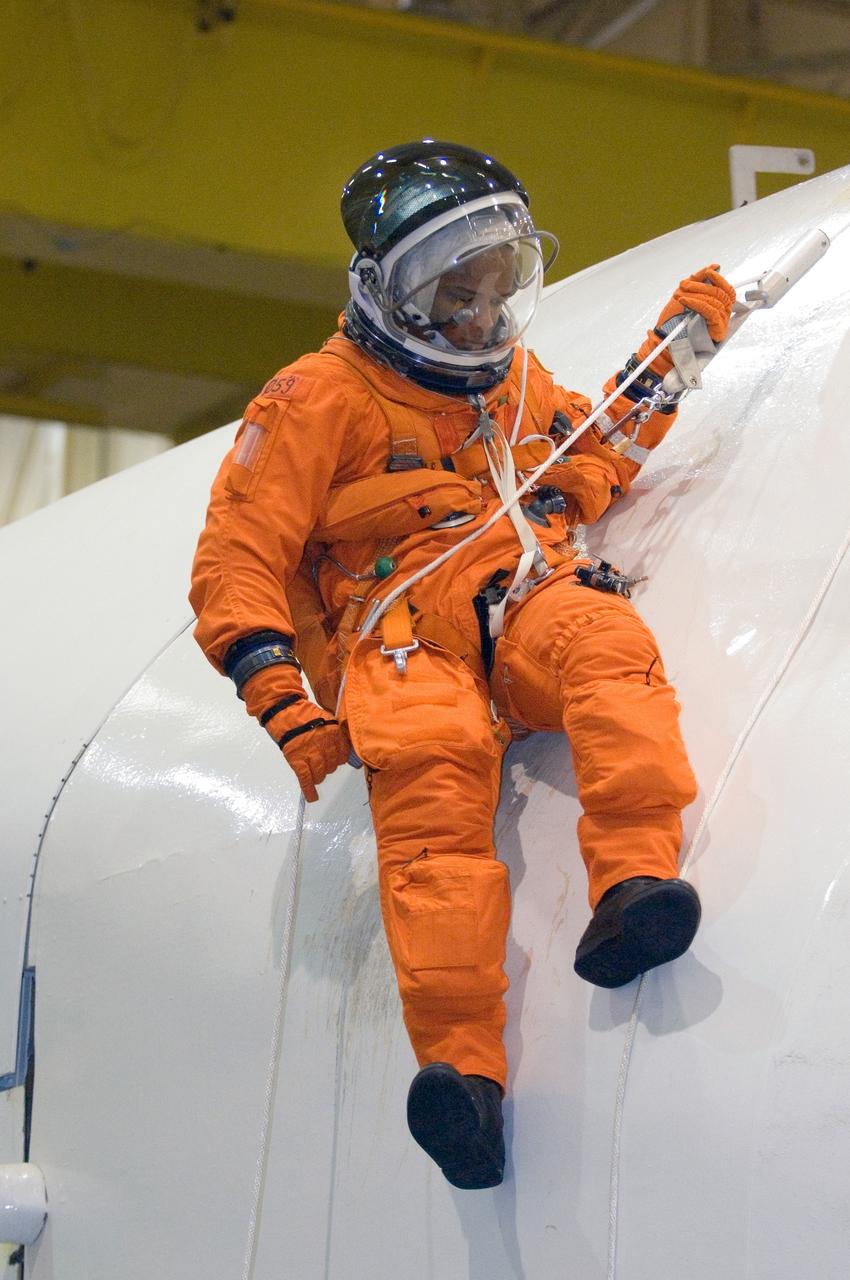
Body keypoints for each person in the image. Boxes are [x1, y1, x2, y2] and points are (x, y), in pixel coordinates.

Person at [190, 140, 735, 1192]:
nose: (479, 320)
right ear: (389, 296)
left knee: (608, 646)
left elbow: (589, 452)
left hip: (516, 592)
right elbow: (237, 557)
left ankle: (634, 883)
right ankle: (461, 1072)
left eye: (495, 290)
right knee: (429, 813)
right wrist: (286, 705)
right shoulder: (314, 400)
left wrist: (677, 352)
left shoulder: (512, 381)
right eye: (454, 298)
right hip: (399, 637)